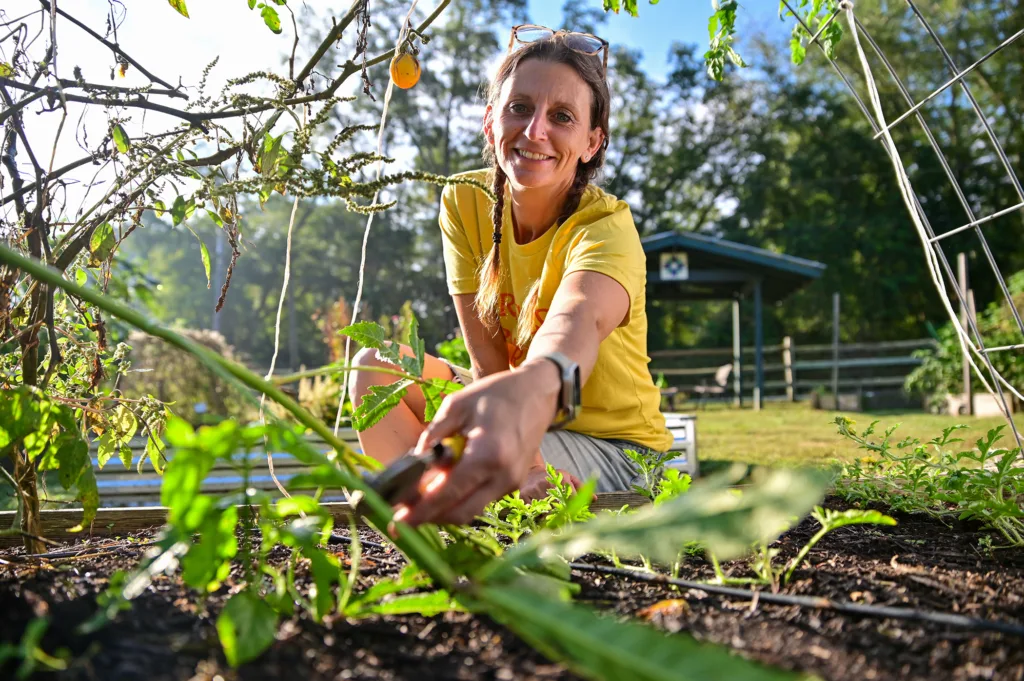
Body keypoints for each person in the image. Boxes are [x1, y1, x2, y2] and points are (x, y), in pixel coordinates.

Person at [349, 25, 672, 526]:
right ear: (489, 121)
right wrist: (520, 444)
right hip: (521, 414)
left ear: (592, 142)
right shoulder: (464, 200)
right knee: (376, 368)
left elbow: (576, 324)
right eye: (519, 107)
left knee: (481, 458)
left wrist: (532, 399)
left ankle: (447, 521)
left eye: (562, 117)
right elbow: (488, 365)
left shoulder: (607, 226)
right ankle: (422, 532)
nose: (535, 130)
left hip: (620, 452)